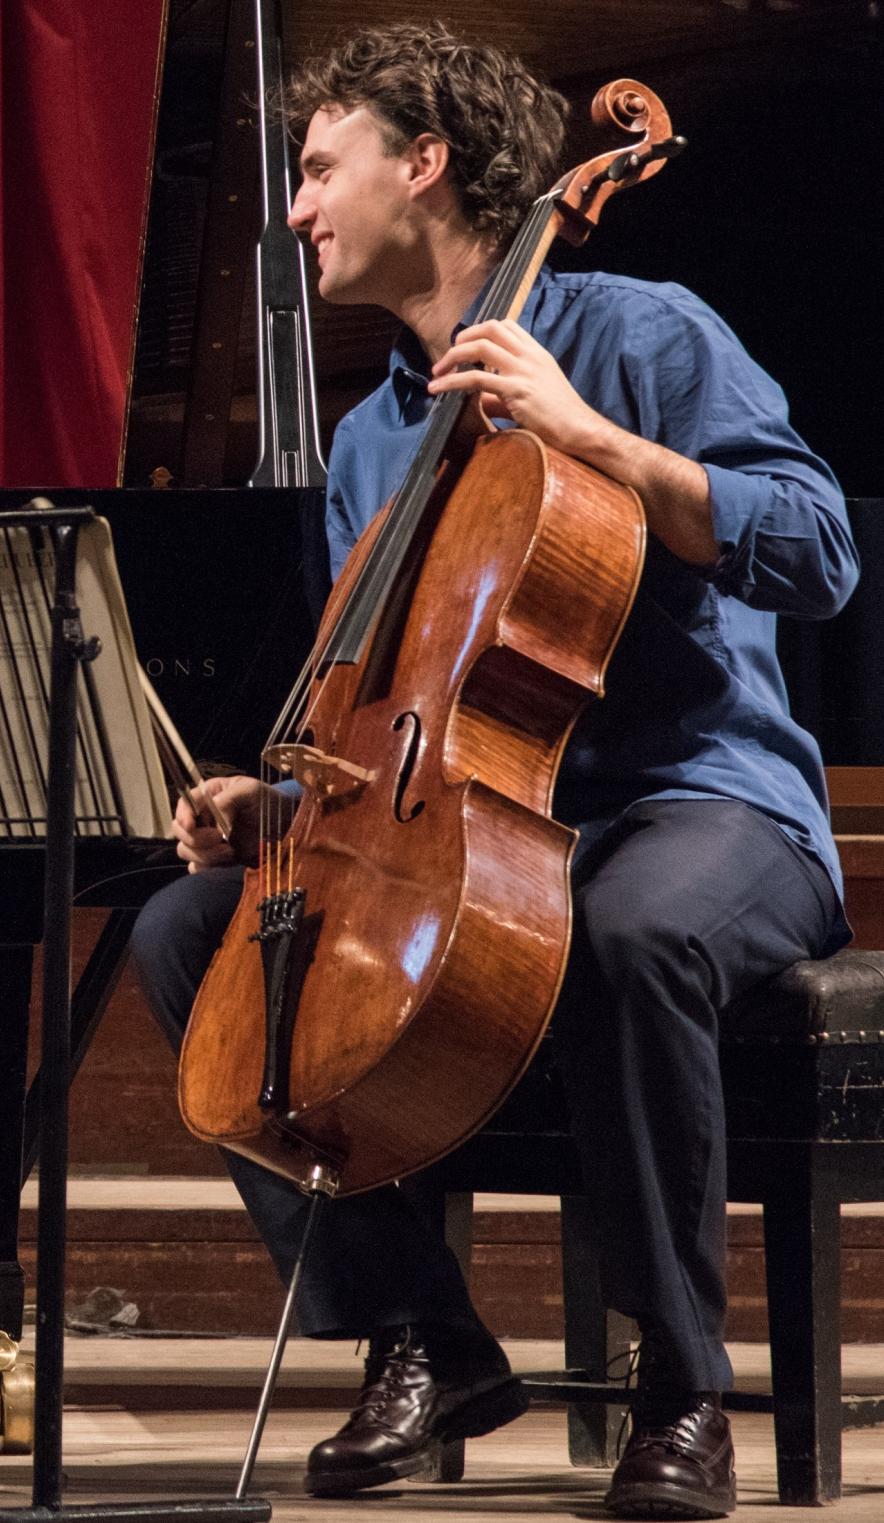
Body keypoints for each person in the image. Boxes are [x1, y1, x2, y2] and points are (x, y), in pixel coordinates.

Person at [131, 24, 854, 1520]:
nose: (298, 209)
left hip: (701, 799)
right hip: (465, 824)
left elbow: (820, 549)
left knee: (635, 924)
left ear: (428, 162)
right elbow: (396, 703)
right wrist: (284, 805)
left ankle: (681, 1384)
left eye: (321, 169)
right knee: (194, 933)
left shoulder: (641, 333)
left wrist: (600, 442)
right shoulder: (367, 443)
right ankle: (425, 1339)